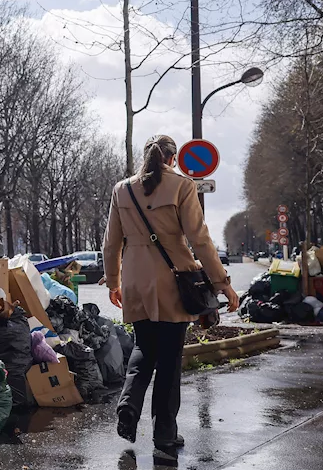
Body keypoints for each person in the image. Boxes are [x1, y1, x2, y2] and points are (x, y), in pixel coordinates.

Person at [102, 135, 239, 452]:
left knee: (143, 347)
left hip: (136, 280)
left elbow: (111, 243)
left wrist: (113, 282)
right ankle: (164, 433)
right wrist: (222, 283)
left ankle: (128, 405)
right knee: (169, 359)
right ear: (173, 158)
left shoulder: (122, 189)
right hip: (173, 282)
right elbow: (200, 239)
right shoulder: (182, 185)